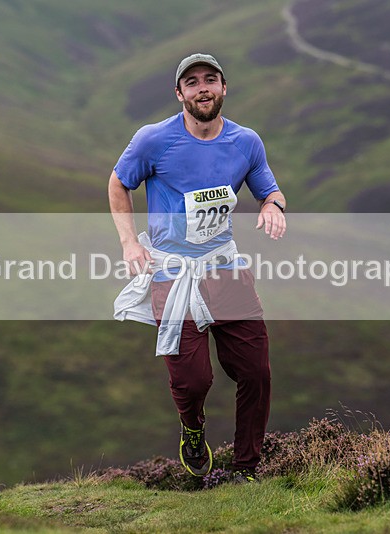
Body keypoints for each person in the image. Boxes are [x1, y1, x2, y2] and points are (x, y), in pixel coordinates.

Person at [110, 53, 287, 483]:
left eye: (210, 80)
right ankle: (193, 430)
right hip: (172, 274)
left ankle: (246, 468)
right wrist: (130, 241)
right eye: (192, 82)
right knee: (192, 381)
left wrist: (274, 208)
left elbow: (270, 188)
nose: (202, 88)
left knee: (256, 372)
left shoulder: (246, 142)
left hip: (225, 267)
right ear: (179, 94)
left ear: (224, 88)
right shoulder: (154, 140)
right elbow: (119, 182)